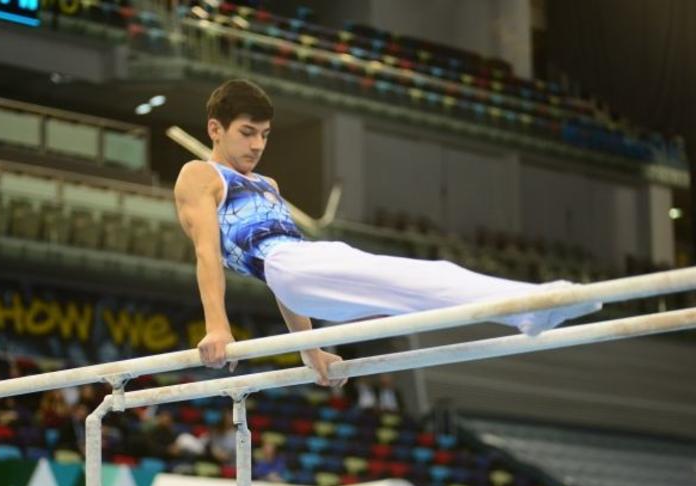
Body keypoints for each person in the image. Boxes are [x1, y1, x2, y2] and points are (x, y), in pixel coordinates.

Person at [174, 79, 602, 386]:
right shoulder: (200, 175)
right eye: (247, 133)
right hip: (290, 266)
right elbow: (208, 253)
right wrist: (218, 327)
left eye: (264, 135)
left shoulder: (268, 185)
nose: (257, 145)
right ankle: (528, 307)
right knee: (415, 281)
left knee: (424, 283)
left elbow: (288, 284)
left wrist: (310, 347)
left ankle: (523, 309)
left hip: (302, 267)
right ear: (215, 129)